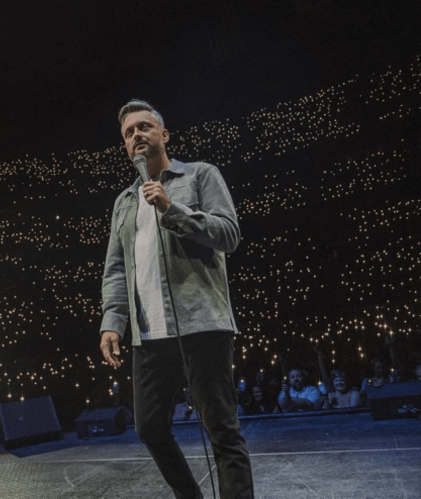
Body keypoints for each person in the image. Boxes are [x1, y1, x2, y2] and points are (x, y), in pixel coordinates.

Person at [99, 100, 253, 499]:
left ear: (163, 135)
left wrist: (172, 208)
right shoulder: (124, 202)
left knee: (221, 429)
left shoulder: (200, 175)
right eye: (129, 132)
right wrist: (112, 322)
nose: (137, 136)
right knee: (149, 428)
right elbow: (116, 270)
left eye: (144, 127)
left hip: (201, 323)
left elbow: (228, 234)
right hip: (148, 334)